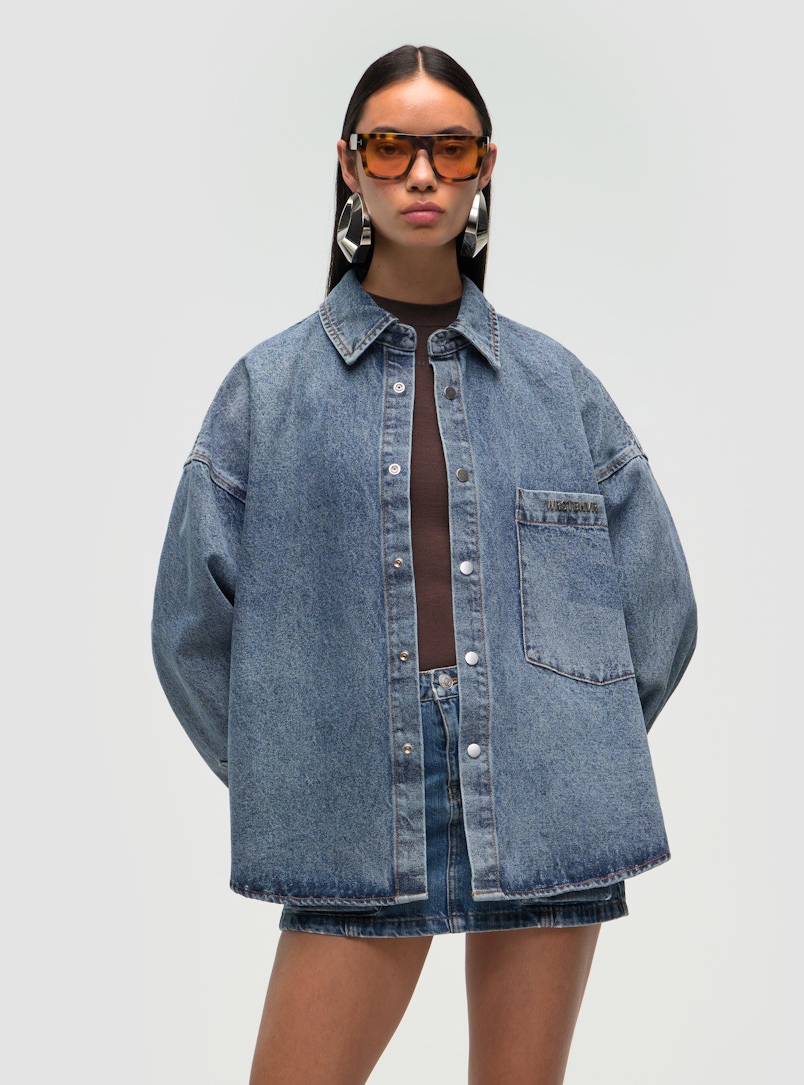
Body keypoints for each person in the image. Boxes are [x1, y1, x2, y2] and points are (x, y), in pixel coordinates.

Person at [151, 44, 697, 1085]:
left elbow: (658, 606)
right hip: (356, 814)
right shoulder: (267, 390)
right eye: (392, 147)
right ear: (348, 164)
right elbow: (188, 628)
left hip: (545, 808)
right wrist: (302, 767)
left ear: (485, 166)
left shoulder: (557, 385)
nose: (421, 174)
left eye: (450, 149)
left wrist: (568, 741)